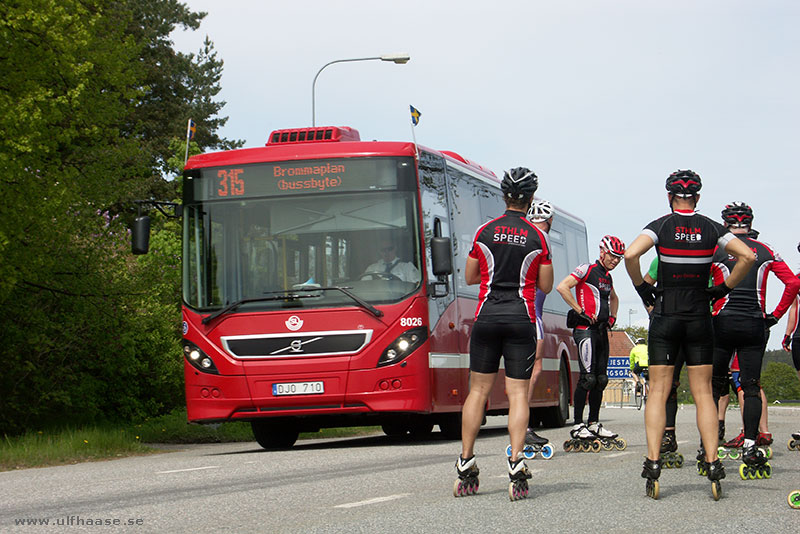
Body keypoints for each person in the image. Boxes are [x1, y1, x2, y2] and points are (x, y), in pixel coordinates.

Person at [624, 170, 755, 500]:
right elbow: (748, 256)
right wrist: (722, 288)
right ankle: (713, 463)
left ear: (670, 197)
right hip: (699, 314)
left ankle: (653, 464)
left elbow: (629, 255)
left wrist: (642, 288)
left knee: (658, 392)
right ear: (697, 198)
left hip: (666, 313)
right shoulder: (711, 227)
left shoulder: (661, 225)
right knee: (702, 394)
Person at [453, 167, 553, 500]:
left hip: (486, 317)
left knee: (477, 392)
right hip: (520, 319)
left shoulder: (485, 231)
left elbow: (469, 276)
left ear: (504, 196)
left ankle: (466, 461)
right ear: (531, 198)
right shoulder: (537, 236)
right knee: (518, 395)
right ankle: (515, 463)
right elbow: (546, 285)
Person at [709, 202, 799, 477]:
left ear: (726, 224)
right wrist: (774, 315)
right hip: (754, 322)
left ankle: (708, 446)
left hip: (721, 321)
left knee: (713, 386)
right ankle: (751, 444)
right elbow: (794, 284)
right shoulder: (765, 249)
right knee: (750, 385)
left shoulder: (716, 248)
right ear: (750, 223)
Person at [557, 235, 624, 449]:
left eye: (619, 259)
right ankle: (578, 424)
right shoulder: (587, 269)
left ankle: (593, 422)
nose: (615, 261)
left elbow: (614, 298)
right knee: (587, 379)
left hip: (601, 331)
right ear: (602, 252)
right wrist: (580, 310)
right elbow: (562, 287)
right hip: (585, 330)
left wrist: (612, 317)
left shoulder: (608, 277)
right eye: (613, 256)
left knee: (601, 379)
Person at [525, 199, 555, 447]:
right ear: (550, 221)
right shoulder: (542, 239)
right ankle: (523, 425)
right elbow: (546, 284)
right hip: (532, 311)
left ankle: (521, 423)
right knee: (534, 369)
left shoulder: (522, 234)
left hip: (512, 311)